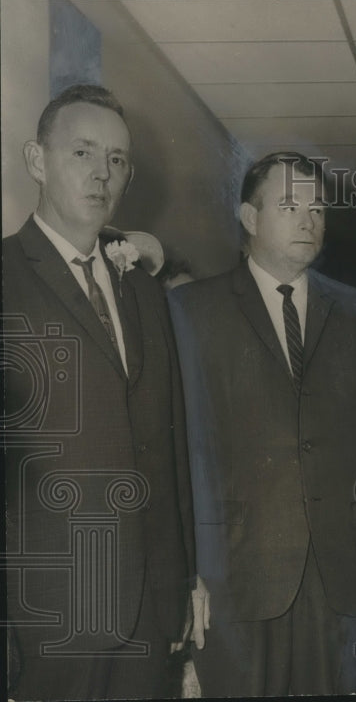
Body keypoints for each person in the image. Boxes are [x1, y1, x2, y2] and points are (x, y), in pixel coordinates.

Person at [168, 152, 356, 696]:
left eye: (318, 208)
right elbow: (177, 452)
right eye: (290, 205)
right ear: (249, 218)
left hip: (340, 579)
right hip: (233, 580)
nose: (309, 220)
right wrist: (185, 574)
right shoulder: (191, 310)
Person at [3, 84, 195, 700]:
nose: (101, 173)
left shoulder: (140, 289)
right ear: (37, 161)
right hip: (45, 616)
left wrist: (180, 583)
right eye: (83, 152)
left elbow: (166, 443)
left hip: (146, 609)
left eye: (116, 159)